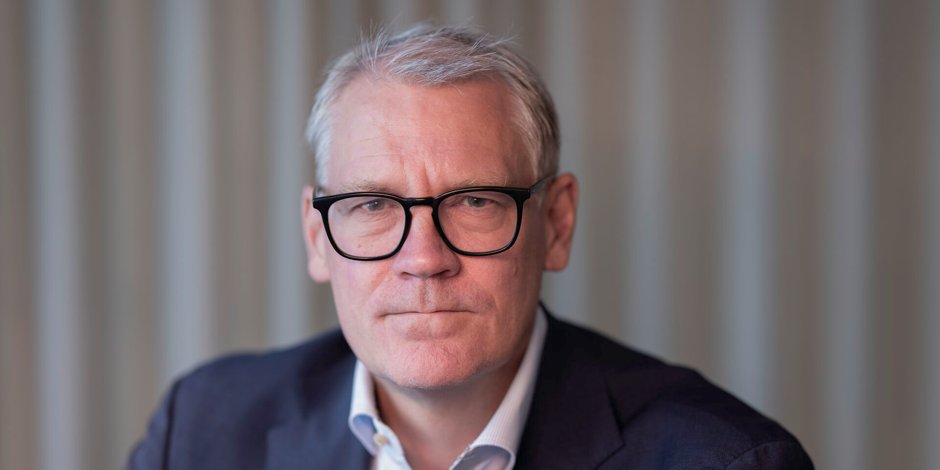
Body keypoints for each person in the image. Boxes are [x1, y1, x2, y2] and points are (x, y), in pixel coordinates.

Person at [128, 24, 813, 469]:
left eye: (475, 202)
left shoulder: (723, 461)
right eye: (373, 206)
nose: (424, 259)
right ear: (317, 238)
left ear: (556, 224)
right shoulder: (203, 433)